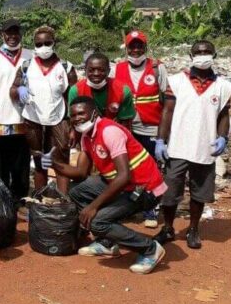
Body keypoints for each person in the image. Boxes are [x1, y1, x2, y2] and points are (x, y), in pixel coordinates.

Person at [47, 96, 168, 275]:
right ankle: (108, 243)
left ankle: (150, 248)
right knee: (76, 191)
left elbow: (124, 176)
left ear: (94, 113)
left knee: (97, 222)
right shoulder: (87, 137)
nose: (77, 118)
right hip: (123, 185)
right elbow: (81, 172)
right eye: (73, 116)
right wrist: (53, 162)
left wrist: (92, 207)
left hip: (145, 189)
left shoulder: (109, 131)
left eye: (81, 113)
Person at [154, 40, 231, 250]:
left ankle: (193, 229)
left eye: (207, 51)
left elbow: (223, 115)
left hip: (205, 146)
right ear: (191, 56)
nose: (203, 55)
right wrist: (161, 140)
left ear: (214, 55)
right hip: (177, 146)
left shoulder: (223, 86)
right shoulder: (176, 81)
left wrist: (223, 136)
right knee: (170, 191)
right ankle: (168, 228)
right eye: (198, 52)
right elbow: (167, 112)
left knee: (199, 193)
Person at [113, 30, 168, 228]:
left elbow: (167, 99)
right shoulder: (116, 69)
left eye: (139, 46)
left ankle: (150, 209)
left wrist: (164, 134)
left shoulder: (156, 68)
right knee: (126, 168)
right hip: (126, 127)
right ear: (126, 48)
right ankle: (127, 207)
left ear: (145, 47)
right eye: (132, 46)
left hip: (151, 127)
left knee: (151, 168)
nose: (136, 50)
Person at [12, 26, 76, 193]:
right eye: (39, 44)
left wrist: (72, 126)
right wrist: (19, 90)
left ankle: (63, 200)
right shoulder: (26, 66)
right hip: (33, 120)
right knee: (39, 161)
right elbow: (12, 90)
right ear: (34, 45)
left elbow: (73, 99)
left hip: (59, 118)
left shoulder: (66, 67)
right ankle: (40, 199)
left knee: (61, 161)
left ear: (54, 43)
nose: (43, 47)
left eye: (47, 43)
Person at [0, 19, 32, 201]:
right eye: (8, 33)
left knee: (22, 167)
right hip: (1, 121)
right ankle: (3, 203)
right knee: (1, 167)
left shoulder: (30, 56)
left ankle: (19, 201)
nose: (12, 37)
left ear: (21, 34)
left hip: (24, 121)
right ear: (2, 35)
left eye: (15, 32)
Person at [68, 52, 136, 134]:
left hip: (114, 133)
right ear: (85, 70)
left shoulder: (123, 91)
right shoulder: (75, 90)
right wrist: (73, 133)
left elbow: (126, 122)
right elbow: (74, 119)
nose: (96, 74)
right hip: (86, 133)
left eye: (101, 70)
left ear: (109, 70)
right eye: (91, 70)